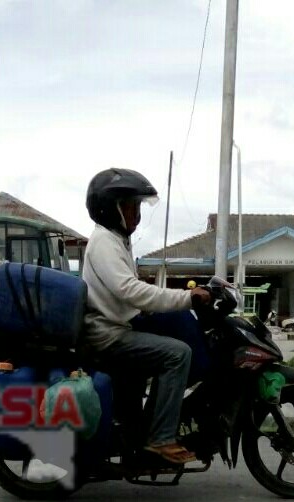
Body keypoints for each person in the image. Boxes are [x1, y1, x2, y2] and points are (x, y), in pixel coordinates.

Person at [81, 168, 212, 465]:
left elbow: (131, 295)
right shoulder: (103, 242)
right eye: (130, 206)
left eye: (138, 206)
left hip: (118, 326)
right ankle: (160, 438)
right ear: (110, 209)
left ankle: (144, 424)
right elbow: (130, 290)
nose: (136, 214)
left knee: (178, 330)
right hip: (110, 335)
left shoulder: (116, 241)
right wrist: (186, 298)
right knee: (178, 354)